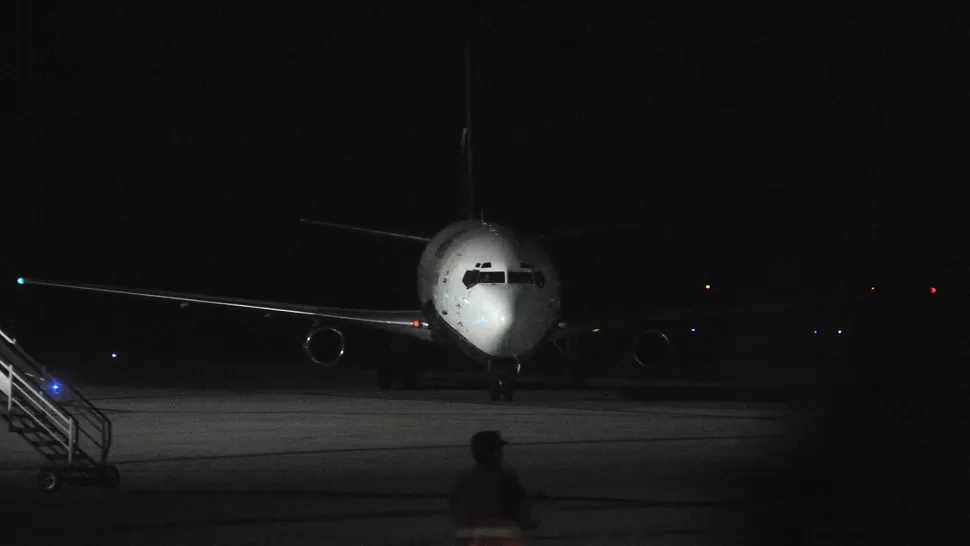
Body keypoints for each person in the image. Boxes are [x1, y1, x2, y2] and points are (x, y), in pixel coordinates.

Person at [450, 431, 537, 545]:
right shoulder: (506, 477)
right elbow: (520, 508)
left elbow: (455, 509)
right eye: (499, 451)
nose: (501, 454)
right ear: (495, 453)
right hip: (501, 535)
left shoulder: (463, 480)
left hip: (471, 536)